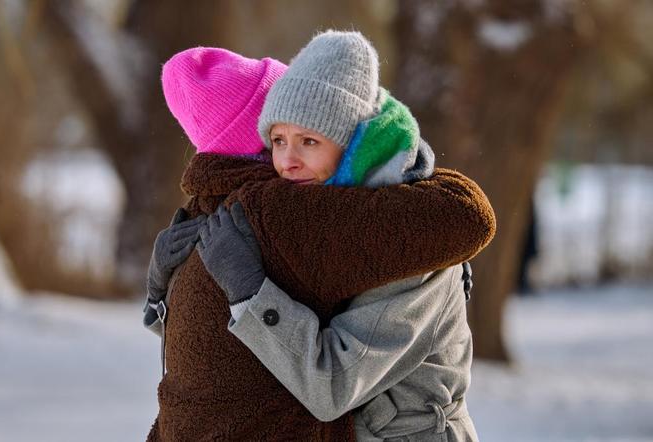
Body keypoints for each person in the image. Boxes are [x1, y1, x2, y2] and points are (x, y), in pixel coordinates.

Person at [146, 33, 495, 442]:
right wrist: (164, 289)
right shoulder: (333, 223)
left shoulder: (412, 247)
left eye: (309, 141)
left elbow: (330, 386)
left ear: (351, 145)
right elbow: (234, 345)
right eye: (278, 141)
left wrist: (250, 291)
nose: (287, 162)